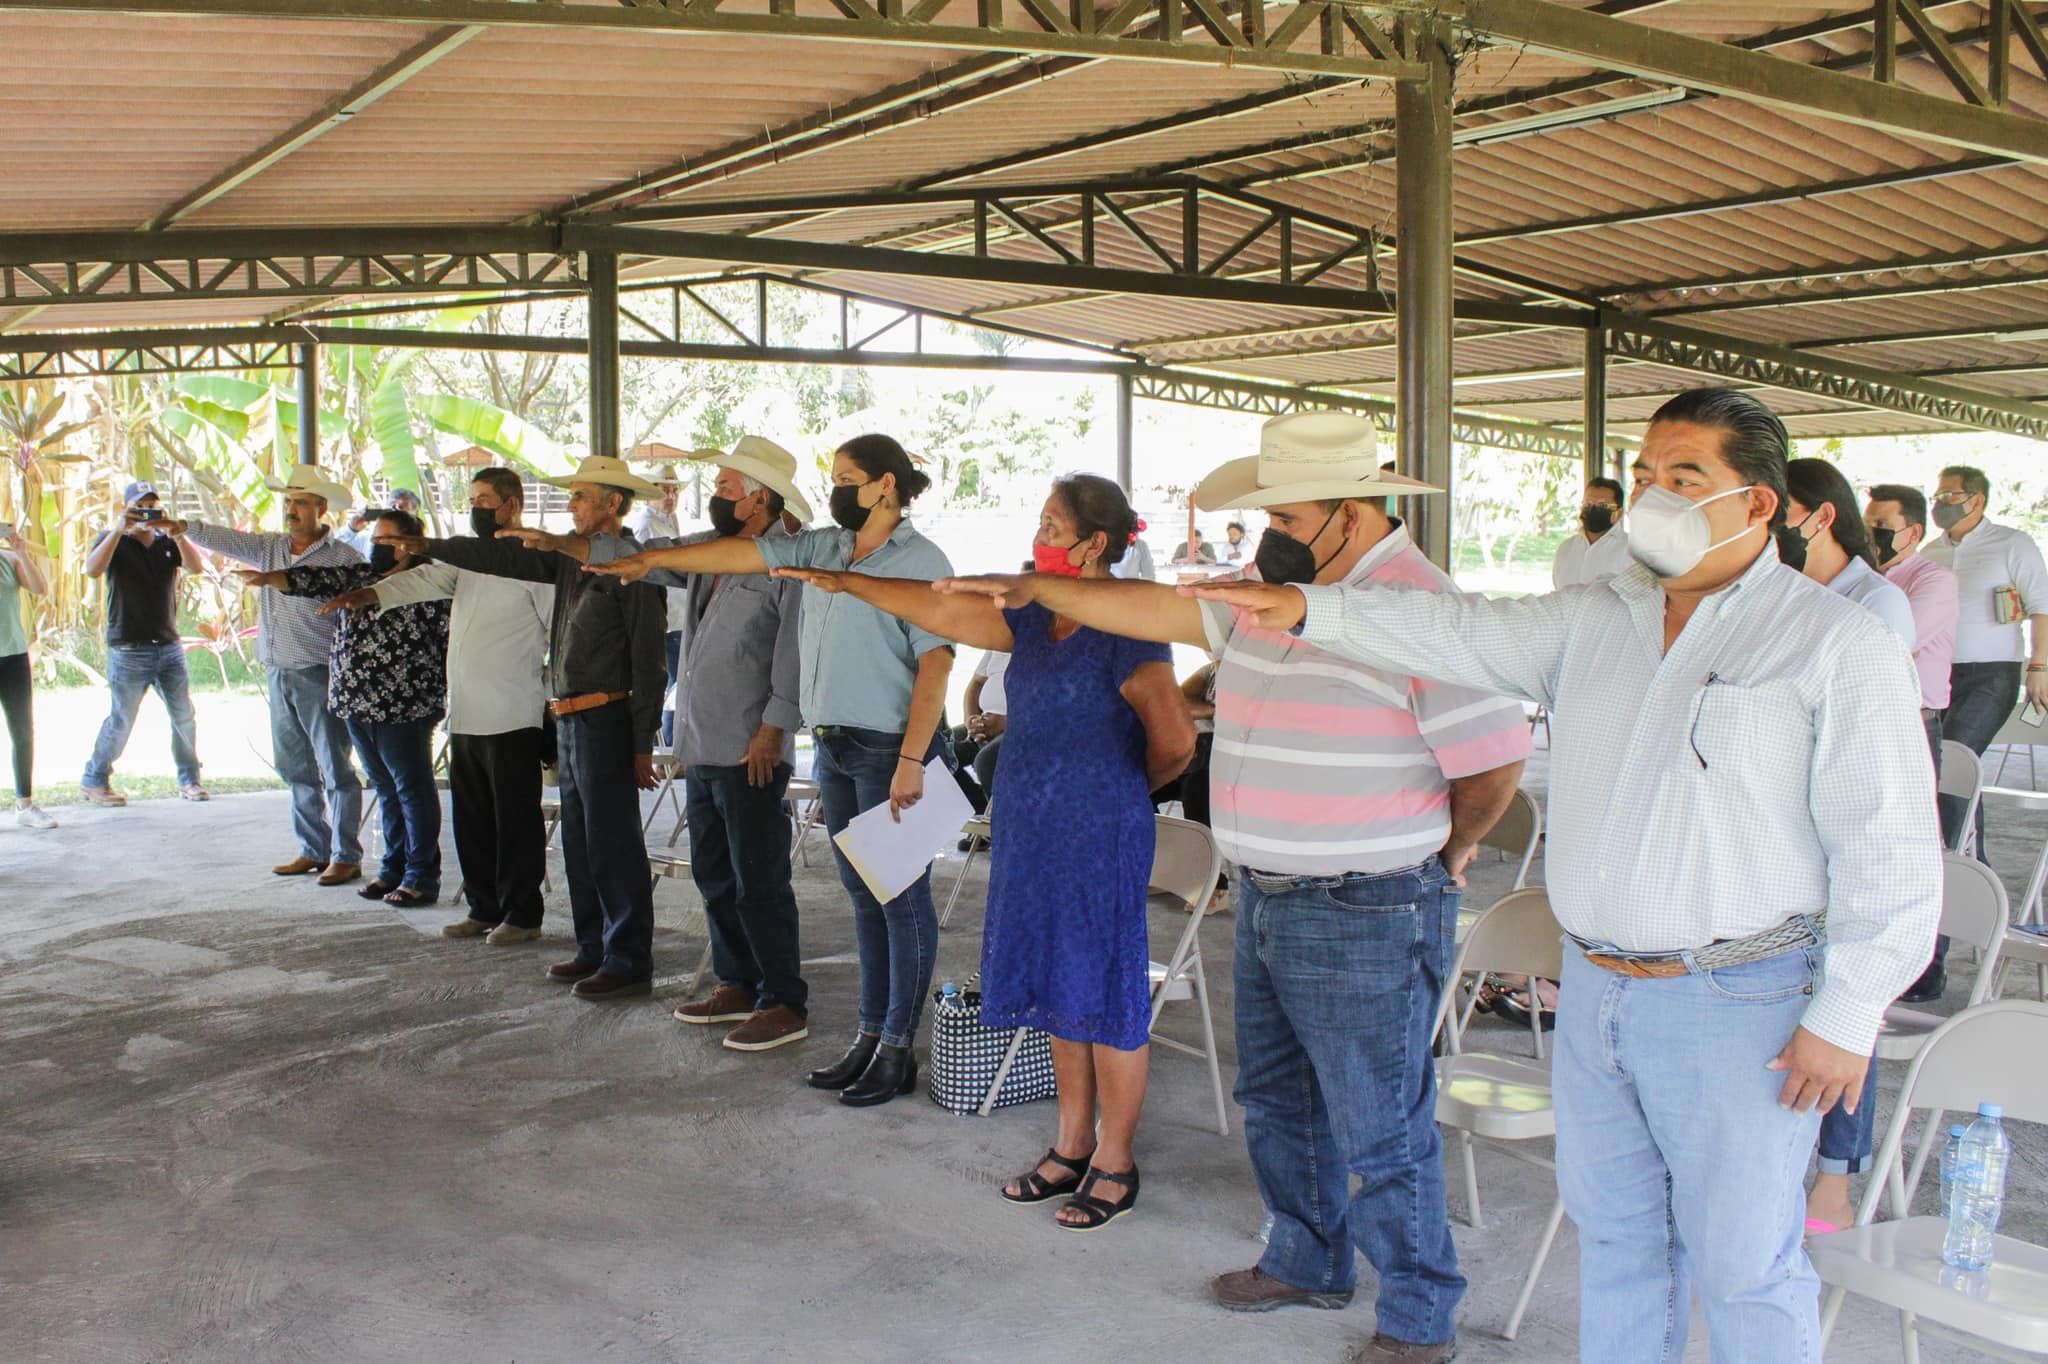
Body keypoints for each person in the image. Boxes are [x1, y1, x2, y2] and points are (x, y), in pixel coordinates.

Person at [1186, 389, 1941, 1364]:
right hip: (1596, 989)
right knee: (1618, 1244)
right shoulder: (1596, 618)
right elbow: (1443, 635)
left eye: (1683, 478)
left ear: (1756, 505)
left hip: (1739, 998)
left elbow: (1886, 842)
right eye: (1642, 476)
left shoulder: (1834, 640)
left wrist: (1846, 1013)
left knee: (1742, 1260)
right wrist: (1296, 604)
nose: (1649, 497)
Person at [939, 412, 1531, 1364]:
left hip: (1366, 898)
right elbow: (1153, 615)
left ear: (1352, 511)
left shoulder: (1425, 609)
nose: (1270, 532)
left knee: (1379, 1121)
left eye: (1286, 512)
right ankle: (1305, 1258)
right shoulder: (1277, 598)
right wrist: (1037, 585)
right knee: (1278, 1098)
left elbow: (1496, 763)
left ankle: (1420, 1316)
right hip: (1267, 888)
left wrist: (1448, 853)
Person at [775, 472, 1195, 1229]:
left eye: (1051, 529)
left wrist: (1108, 790)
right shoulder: (1035, 620)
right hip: (1030, 833)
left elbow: (1174, 744)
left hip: (1098, 837)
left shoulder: (1130, 630)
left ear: (1096, 546)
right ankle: (1070, 1144)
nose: (1037, 541)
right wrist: (849, 583)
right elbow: (941, 609)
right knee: (1057, 989)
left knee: (1105, 995)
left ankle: (1115, 1162)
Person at [588, 433, 954, 1107]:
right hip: (839, 747)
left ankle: (899, 1046)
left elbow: (937, 660)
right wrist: (654, 560)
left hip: (888, 749)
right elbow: (743, 551)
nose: (838, 487)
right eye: (835, 476)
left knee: (900, 900)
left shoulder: (921, 559)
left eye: (849, 476)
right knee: (862, 895)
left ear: (886, 486)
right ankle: (871, 1036)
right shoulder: (826, 546)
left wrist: (911, 759)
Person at [556, 439, 810, 1052]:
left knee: (760, 880)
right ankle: (736, 982)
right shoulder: (709, 554)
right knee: (716, 874)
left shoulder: (787, 560)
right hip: (701, 740)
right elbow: (643, 555)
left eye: (725, 488)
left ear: (758, 501)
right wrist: (560, 544)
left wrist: (773, 729)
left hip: (751, 744)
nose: (714, 497)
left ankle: (783, 999)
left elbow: (793, 654)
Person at [382, 454, 667, 999]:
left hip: (606, 715)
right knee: (582, 843)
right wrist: (430, 546)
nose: (571, 505)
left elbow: (650, 661)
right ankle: (593, 949)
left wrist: (641, 740)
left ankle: (629, 959)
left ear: (613, 503)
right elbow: (498, 556)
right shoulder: (564, 560)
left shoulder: (635, 564)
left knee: (612, 844)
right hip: (569, 716)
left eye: (581, 496)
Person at [323, 468, 554, 943]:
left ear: (512, 506)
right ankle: (483, 907)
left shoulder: (535, 561)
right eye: (472, 498)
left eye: (485, 499)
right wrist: (370, 594)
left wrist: (552, 692)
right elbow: (421, 582)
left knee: (516, 821)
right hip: (467, 713)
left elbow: (558, 631)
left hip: (514, 712)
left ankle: (523, 915)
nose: (477, 508)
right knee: (472, 818)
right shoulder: (467, 560)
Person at [1783, 458, 1920, 1237]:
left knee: (1847, 1000)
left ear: (1819, 517)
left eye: (1782, 514)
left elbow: (1872, 750)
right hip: (1790, 837)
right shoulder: (1787, 596)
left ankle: (1834, 1177)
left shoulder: (1878, 605)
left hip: (1848, 833)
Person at [238, 509, 452, 905]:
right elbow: (319, 579)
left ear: (411, 544)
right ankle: (393, 870)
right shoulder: (363, 576)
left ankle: (421, 876)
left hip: (403, 706)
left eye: (388, 540)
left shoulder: (429, 582)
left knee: (411, 790)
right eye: (375, 539)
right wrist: (272, 578)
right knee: (386, 790)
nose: (379, 547)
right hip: (357, 702)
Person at [165, 465, 365, 884]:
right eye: (289, 502)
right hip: (278, 670)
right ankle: (314, 848)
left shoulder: (345, 557)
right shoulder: (270, 547)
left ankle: (346, 854)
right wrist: (185, 526)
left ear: (322, 509)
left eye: (301, 503)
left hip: (320, 671)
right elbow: (228, 540)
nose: (292, 510)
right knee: (294, 766)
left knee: (335, 767)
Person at [1922, 463, 2048, 877]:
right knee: (1940, 767)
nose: (1939, 504)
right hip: (1940, 674)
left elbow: (2041, 608)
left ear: (1976, 499)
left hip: (1993, 673)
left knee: (1955, 757)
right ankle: (1969, 865)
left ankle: (1954, 866)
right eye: (1936, 496)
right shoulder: (1931, 552)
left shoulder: (2012, 543)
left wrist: (2039, 667)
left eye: (1948, 496)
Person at [81, 481, 207, 806]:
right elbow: (92, 569)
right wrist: (119, 528)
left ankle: (189, 779)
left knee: (183, 715)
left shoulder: (167, 544)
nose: (146, 512)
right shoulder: (115, 543)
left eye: (152, 505)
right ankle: (95, 780)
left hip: (168, 644)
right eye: (140, 506)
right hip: (129, 648)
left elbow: (196, 567)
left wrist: (175, 530)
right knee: (122, 718)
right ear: (127, 508)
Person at [1867, 484, 1959, 769]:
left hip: (1914, 721)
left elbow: (1894, 645)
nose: (1870, 533)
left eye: (1881, 524)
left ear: (1914, 533)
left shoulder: (1934, 581)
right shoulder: (1863, 577)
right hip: (1870, 715)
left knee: (1914, 812)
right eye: (1866, 524)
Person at [1784, 459, 1916, 647]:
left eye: (1780, 511)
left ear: (1823, 516)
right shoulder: (1783, 588)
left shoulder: (1878, 599)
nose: (1765, 523)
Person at [0, 519, 54, 830]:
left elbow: (39, 588)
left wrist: (21, 552)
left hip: (13, 656)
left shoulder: (8, 561)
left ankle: (25, 804)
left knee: (22, 732)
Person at [629, 464, 688, 744]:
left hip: (677, 617)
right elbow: (640, 572)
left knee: (677, 683)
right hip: (666, 620)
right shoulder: (646, 525)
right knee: (675, 684)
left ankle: (670, 745)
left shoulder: (669, 521)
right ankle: (669, 747)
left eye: (674, 490)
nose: (670, 495)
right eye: (664, 490)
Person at [1551, 477, 1631, 588]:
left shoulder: (1631, 552)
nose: (1593, 509)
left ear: (1619, 513)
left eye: (1603, 505)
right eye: (1588, 504)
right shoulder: (1566, 548)